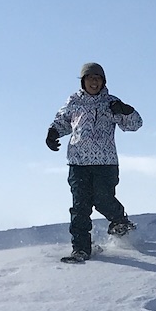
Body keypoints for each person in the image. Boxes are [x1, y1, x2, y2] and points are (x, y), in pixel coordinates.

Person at [46, 61, 142, 263]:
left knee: (102, 198)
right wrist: (53, 133)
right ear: (83, 81)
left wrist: (125, 110)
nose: (94, 82)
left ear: (103, 81)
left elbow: (135, 124)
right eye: (90, 78)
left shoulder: (111, 103)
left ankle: (119, 220)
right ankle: (81, 249)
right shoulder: (74, 101)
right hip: (78, 163)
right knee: (80, 207)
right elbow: (62, 121)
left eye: (97, 78)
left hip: (105, 163)